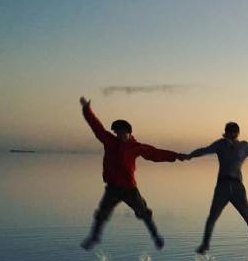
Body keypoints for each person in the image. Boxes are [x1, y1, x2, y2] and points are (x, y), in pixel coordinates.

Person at [78, 97, 186, 250]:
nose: (121, 136)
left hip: (129, 188)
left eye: (123, 134)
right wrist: (86, 109)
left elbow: (155, 154)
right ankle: (94, 238)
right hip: (113, 188)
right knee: (101, 214)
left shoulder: (136, 147)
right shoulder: (109, 141)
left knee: (143, 212)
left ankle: (155, 236)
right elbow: (96, 127)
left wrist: (176, 155)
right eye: (118, 133)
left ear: (129, 133)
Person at [188, 122, 248, 254]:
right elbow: (204, 150)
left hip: (237, 187)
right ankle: (205, 244)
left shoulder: (244, 147)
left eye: (234, 131)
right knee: (212, 217)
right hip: (222, 186)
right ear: (225, 132)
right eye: (229, 131)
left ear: (238, 133)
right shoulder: (220, 144)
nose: (231, 134)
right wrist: (189, 155)